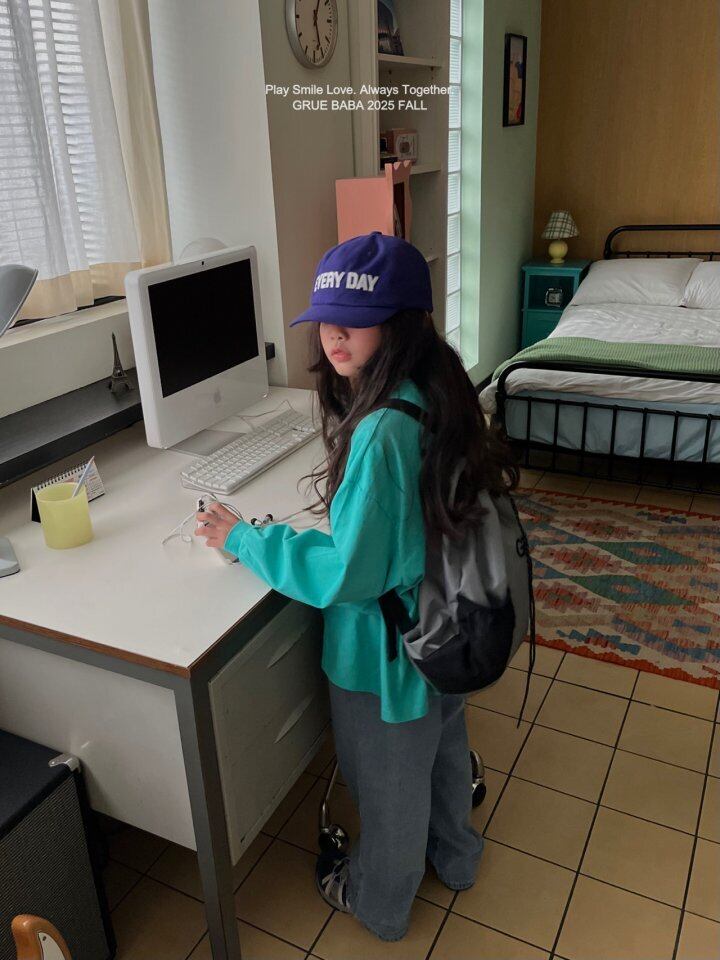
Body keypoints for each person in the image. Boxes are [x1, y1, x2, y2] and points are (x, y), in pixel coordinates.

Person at [195, 231, 518, 942]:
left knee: (389, 788)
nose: (334, 336)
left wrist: (246, 539)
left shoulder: (379, 433)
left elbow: (347, 573)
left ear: (400, 325)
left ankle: (380, 904)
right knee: (443, 753)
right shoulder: (439, 391)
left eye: (355, 321)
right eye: (325, 320)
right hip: (447, 624)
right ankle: (457, 857)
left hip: (388, 654)